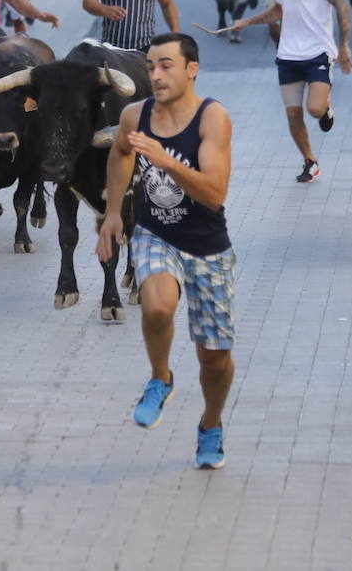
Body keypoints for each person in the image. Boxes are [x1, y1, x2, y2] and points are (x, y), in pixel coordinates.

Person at [97, 33, 235, 470]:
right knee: (156, 307)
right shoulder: (135, 115)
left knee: (215, 360)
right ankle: (160, 378)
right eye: (151, 66)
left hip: (208, 247)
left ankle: (210, 425)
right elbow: (121, 152)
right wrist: (114, 212)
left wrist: (166, 160)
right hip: (156, 235)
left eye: (166, 66)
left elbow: (214, 194)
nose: (155, 75)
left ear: (192, 69)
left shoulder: (213, 119)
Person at [233, 0, 352, 183]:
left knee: (314, 109)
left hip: (318, 53)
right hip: (288, 56)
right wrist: (246, 22)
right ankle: (310, 161)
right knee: (292, 113)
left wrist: (344, 44)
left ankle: (326, 109)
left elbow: (341, 6)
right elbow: (277, 12)